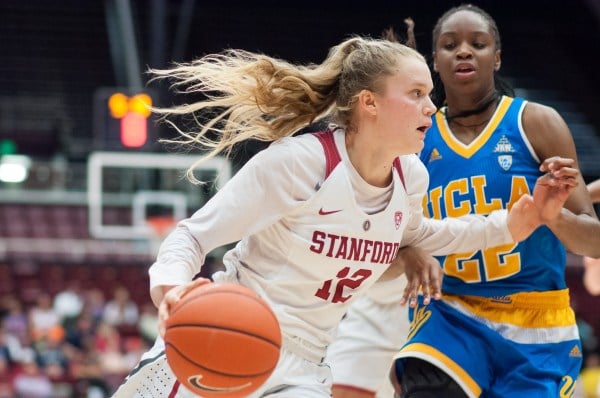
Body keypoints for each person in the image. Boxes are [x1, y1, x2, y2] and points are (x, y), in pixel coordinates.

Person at [112, 35, 575, 398]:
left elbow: (428, 234)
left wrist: (519, 222)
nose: (430, 108)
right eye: (415, 94)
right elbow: (192, 234)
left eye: (429, 94)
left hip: (305, 366)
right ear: (368, 103)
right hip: (223, 332)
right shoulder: (300, 164)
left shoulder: (410, 176)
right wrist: (171, 290)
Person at [387, 5, 600, 397]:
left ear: (497, 58)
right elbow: (385, 227)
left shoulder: (536, 123)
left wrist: (552, 216)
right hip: (450, 311)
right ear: (435, 60)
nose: (464, 51)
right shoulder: (413, 135)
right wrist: (407, 252)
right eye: (450, 45)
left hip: (537, 322)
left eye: (478, 44)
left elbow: (594, 241)